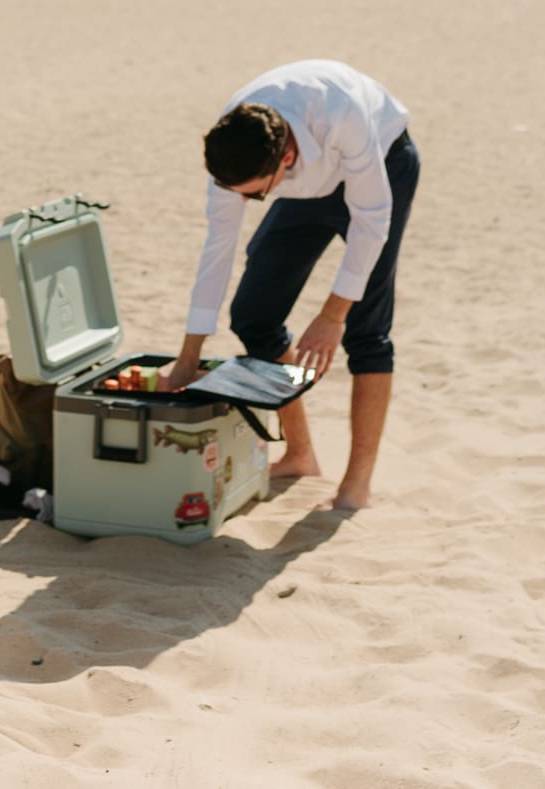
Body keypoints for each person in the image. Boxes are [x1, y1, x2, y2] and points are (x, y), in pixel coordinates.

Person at [167, 60, 418, 512]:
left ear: (284, 158)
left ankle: (356, 487)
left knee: (366, 329)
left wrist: (332, 314)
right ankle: (300, 454)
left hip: (383, 164)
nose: (243, 202)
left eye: (254, 196)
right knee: (254, 314)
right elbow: (216, 253)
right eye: (238, 193)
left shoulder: (341, 114)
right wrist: (188, 359)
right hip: (309, 186)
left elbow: (372, 222)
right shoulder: (234, 151)